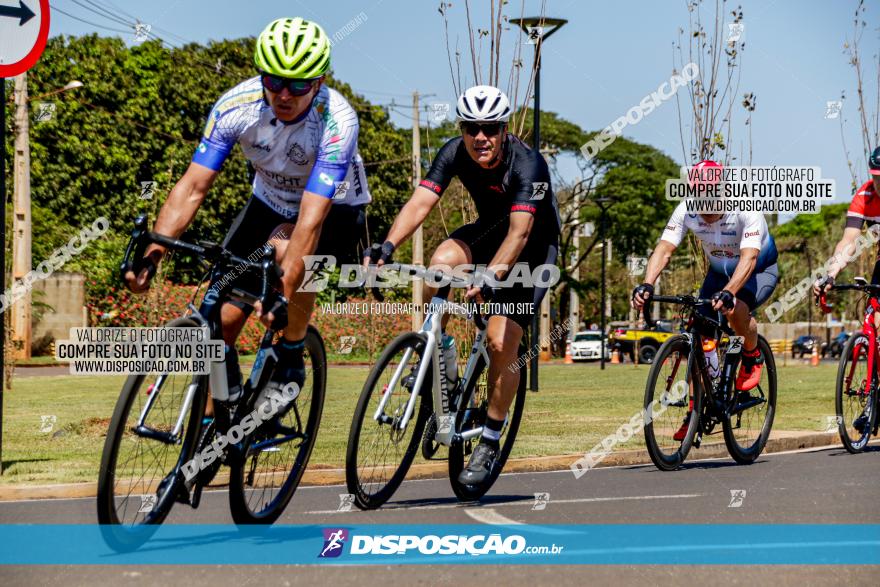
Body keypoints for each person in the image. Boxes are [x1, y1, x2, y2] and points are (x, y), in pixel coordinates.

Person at [124, 17, 369, 404]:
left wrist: (284, 293)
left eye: (298, 84)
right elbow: (191, 187)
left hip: (335, 209)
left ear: (318, 83)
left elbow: (310, 218)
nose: (284, 94)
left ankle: (291, 354)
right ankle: (212, 425)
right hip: (268, 201)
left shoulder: (337, 121)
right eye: (273, 81)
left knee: (290, 254)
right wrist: (154, 255)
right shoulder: (235, 107)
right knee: (220, 318)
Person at [364, 85, 560, 485]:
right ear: (462, 128)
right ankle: (441, 354)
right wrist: (386, 246)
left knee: (500, 342)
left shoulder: (529, 166)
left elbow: (521, 234)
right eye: (472, 128)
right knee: (438, 265)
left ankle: (489, 438)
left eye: (490, 128)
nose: (480, 137)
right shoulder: (454, 151)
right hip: (488, 233)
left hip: (534, 251)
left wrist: (492, 276)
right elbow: (421, 202)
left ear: (504, 130)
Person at [632, 200, 778, 440]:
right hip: (718, 274)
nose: (705, 209)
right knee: (699, 334)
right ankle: (696, 410)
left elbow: (750, 258)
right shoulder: (686, 209)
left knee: (734, 309)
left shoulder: (745, 209)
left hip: (758, 271)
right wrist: (647, 283)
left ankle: (752, 356)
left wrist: (730, 291)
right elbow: (664, 249)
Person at [813, 146, 880, 433]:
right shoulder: (864, 196)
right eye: (877, 177)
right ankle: (872, 404)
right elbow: (849, 241)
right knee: (874, 320)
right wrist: (830, 274)